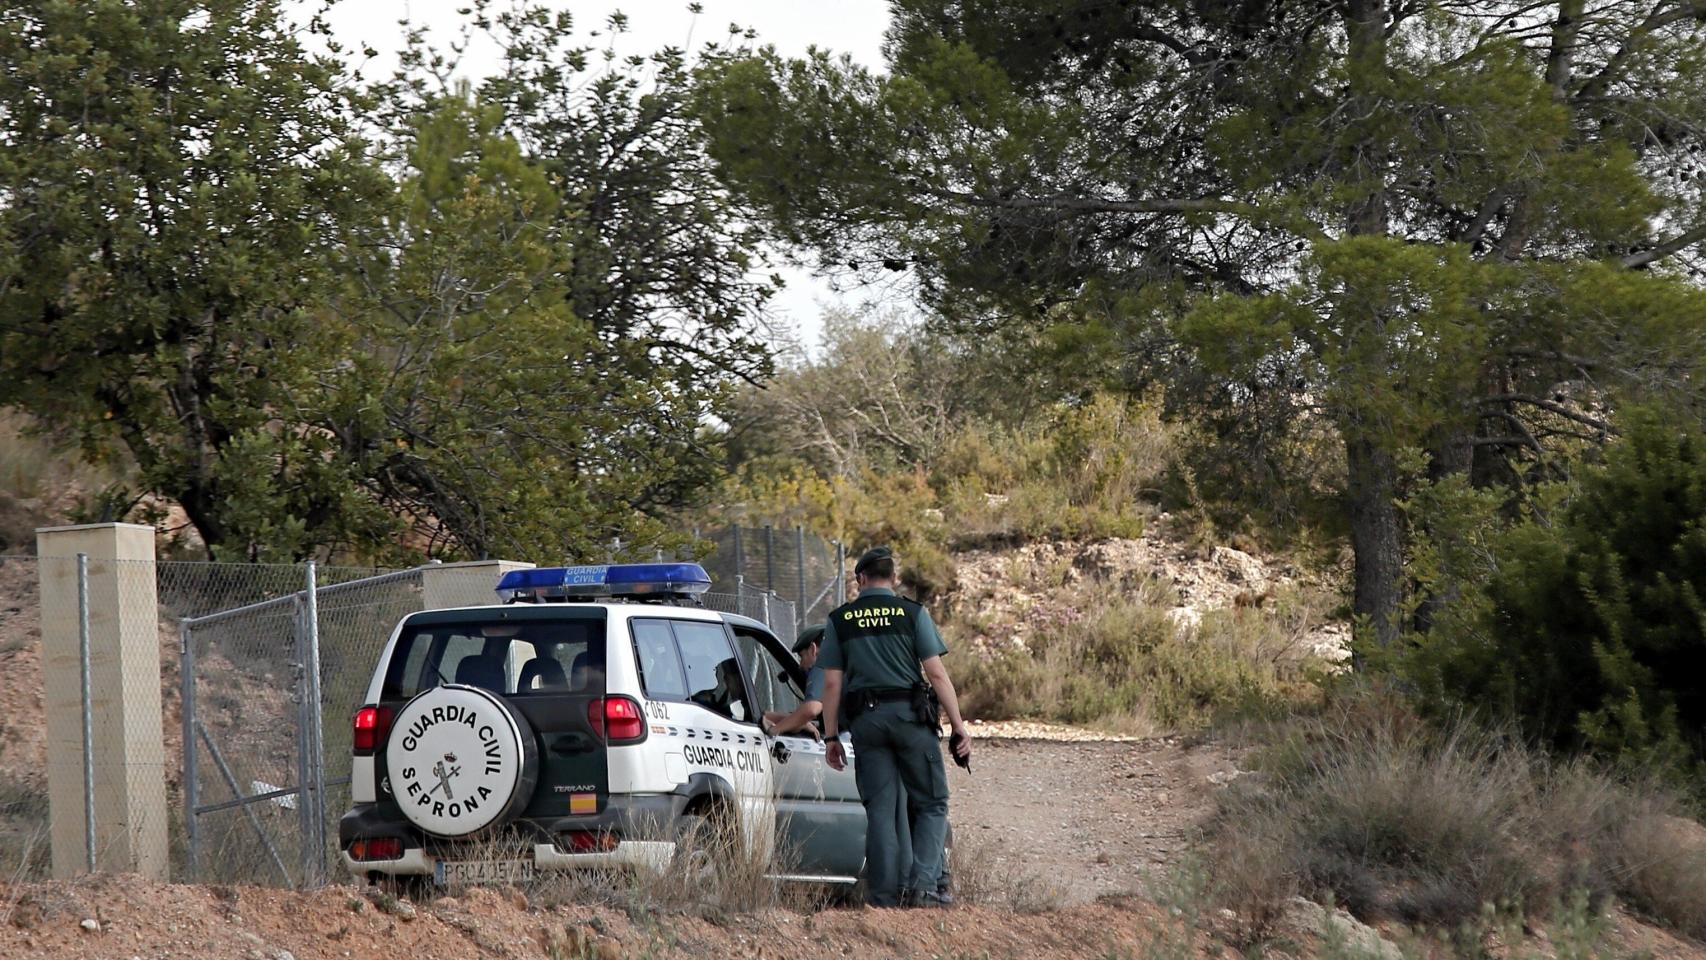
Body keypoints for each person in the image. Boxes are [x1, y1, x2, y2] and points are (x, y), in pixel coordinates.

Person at [820, 545, 971, 908]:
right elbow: (935, 673)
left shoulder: (840, 620)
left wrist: (829, 737)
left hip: (867, 724)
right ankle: (923, 887)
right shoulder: (912, 613)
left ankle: (885, 899)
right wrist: (959, 725)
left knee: (881, 811)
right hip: (909, 719)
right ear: (894, 577)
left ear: (860, 579)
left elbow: (831, 685)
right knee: (933, 803)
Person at [763, 624, 825, 737]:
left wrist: (774, 730)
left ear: (813, 649)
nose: (801, 665)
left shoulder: (821, 667)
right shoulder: (841, 666)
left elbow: (811, 709)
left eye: (802, 657)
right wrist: (799, 722)